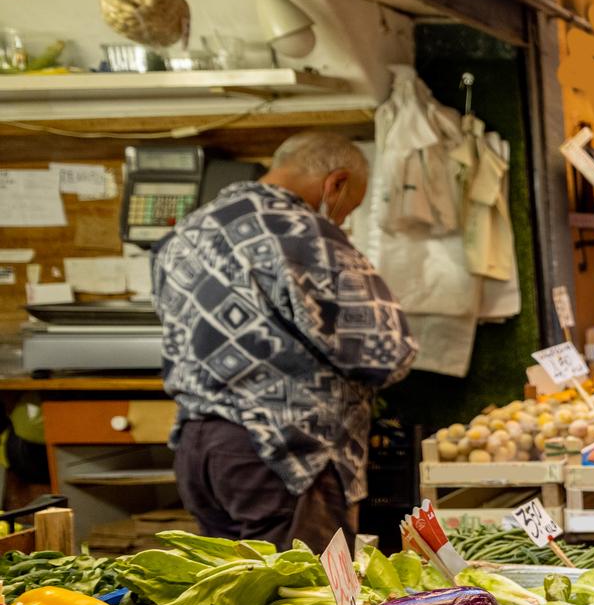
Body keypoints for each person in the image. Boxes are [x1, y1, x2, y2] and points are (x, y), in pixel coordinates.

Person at [155, 132, 419, 552]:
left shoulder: (188, 230)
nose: (343, 223)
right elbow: (385, 352)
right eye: (347, 210)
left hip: (199, 449)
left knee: (235, 601)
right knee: (302, 602)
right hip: (283, 453)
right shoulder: (304, 234)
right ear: (336, 183)